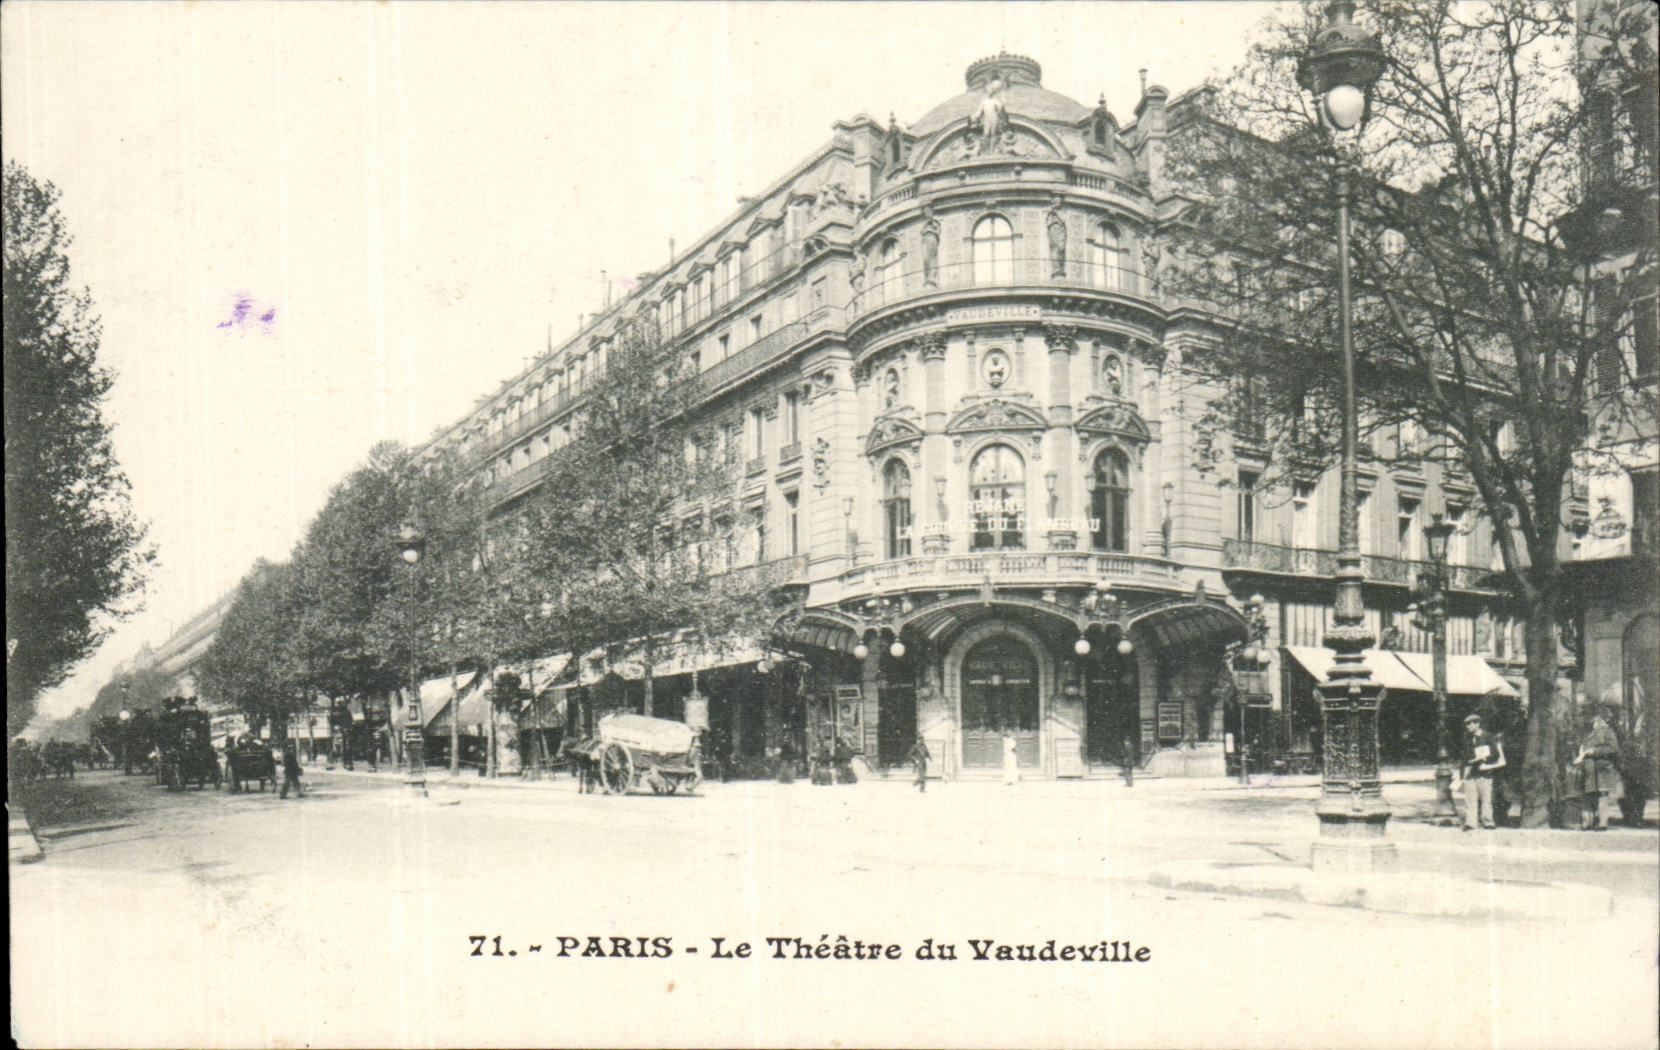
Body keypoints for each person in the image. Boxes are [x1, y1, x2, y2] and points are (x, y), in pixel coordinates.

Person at [1572, 712, 1624, 831]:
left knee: (1602, 795)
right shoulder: (1586, 733)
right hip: (1588, 769)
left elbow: (1614, 748)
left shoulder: (1607, 732)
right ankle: (1586, 823)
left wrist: (1594, 751)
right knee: (1586, 795)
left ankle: (1602, 823)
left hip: (1601, 769)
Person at [1452, 713, 1504, 830]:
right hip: (1470, 772)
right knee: (1470, 799)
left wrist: (1483, 758)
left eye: (1471, 724)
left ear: (1477, 724)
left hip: (1484, 772)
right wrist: (1461, 772)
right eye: (1467, 724)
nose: (1468, 727)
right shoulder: (1467, 737)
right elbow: (1464, 756)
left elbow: (1495, 754)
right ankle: (1471, 823)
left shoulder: (1488, 737)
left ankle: (1488, 822)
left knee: (1486, 798)